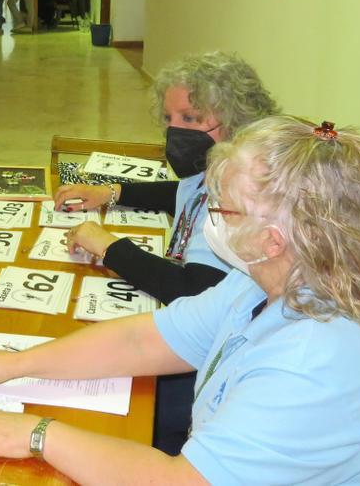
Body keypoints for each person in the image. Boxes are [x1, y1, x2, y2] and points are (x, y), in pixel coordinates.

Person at [0, 116, 360, 484]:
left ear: (273, 239)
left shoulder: (315, 363)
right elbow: (142, 340)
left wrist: (37, 434)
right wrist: (17, 363)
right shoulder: (268, 279)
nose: (210, 219)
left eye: (222, 209)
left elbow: (178, 482)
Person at [53, 51, 277, 454]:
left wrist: (107, 245)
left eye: (190, 119)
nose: (175, 132)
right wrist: (111, 193)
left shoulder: (238, 199)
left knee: (94, 406)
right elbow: (178, 194)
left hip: (201, 372)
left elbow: (192, 291)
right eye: (169, 119)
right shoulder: (210, 171)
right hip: (192, 339)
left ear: (236, 121)